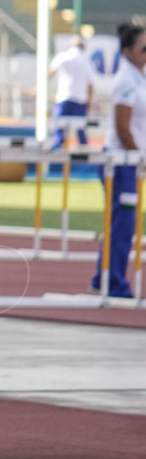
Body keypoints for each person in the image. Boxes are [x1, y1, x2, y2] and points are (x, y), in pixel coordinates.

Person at [91, 22, 146, 298]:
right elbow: (123, 127)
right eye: (143, 48)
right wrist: (139, 157)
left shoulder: (140, 77)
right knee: (123, 224)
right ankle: (112, 282)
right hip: (122, 161)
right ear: (127, 51)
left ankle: (103, 278)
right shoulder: (126, 80)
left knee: (122, 223)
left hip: (130, 160)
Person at [49, 35, 97, 150]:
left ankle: (57, 157)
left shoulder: (63, 56)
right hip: (80, 100)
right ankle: (84, 161)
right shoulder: (87, 61)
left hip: (64, 98)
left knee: (59, 130)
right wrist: (89, 101)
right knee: (81, 131)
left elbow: (50, 73)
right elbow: (91, 85)